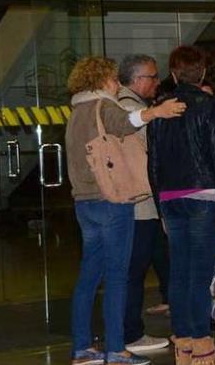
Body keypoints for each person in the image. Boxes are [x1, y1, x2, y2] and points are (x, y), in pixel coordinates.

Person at [65, 56, 185, 365]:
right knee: (118, 276)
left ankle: (81, 348)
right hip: (112, 200)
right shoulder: (103, 107)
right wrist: (156, 112)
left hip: (84, 203)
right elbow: (127, 122)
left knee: (89, 275)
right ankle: (116, 349)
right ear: (102, 79)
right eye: (114, 79)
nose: (117, 84)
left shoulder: (76, 112)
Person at [147, 46, 215, 365]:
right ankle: (201, 345)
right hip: (205, 197)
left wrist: (161, 205)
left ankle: (183, 341)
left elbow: (153, 163)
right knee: (199, 275)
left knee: (180, 272)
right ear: (204, 73)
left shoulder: (159, 109)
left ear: (172, 74)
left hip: (171, 198)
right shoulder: (211, 106)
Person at [116, 55, 171, 354]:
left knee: (133, 270)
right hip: (139, 204)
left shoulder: (126, 106)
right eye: (152, 76)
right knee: (133, 272)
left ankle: (127, 331)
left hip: (135, 204)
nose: (156, 82)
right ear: (137, 80)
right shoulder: (131, 110)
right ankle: (130, 334)